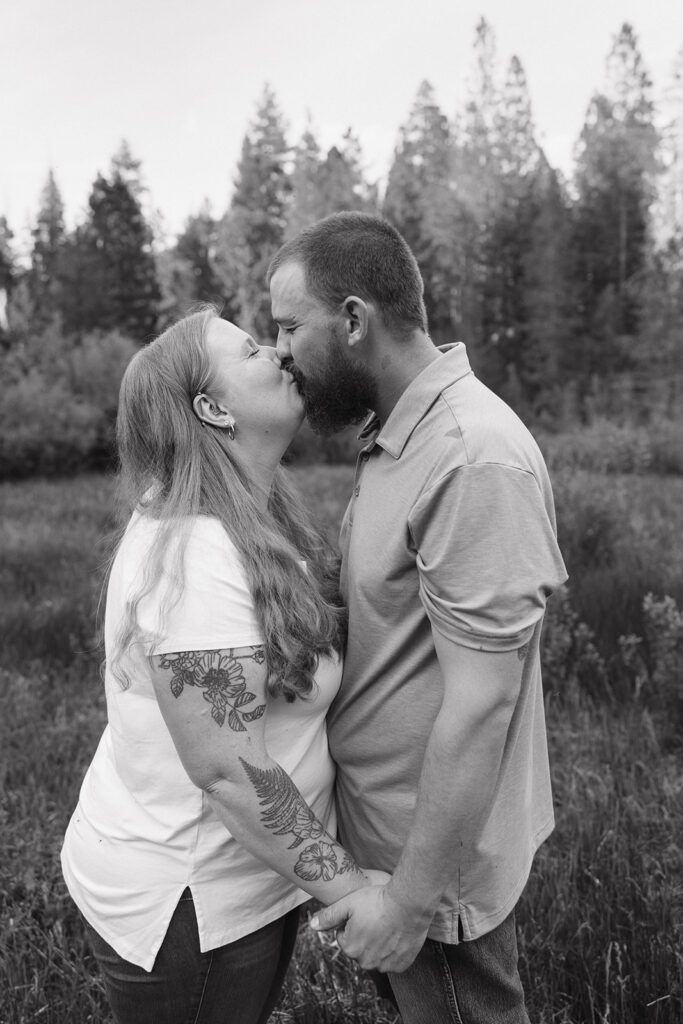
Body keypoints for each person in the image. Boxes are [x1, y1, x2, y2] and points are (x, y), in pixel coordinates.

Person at [268, 212, 568, 1024]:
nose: (281, 354)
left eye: (290, 327)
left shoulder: (470, 457)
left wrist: (405, 903)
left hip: (430, 874)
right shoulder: (397, 435)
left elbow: (479, 706)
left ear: (355, 320)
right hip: (386, 849)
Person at [61, 309, 387, 1024]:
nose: (277, 352)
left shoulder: (254, 516)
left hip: (240, 878)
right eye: (250, 350)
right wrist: (352, 891)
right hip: (189, 899)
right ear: (211, 408)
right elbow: (228, 771)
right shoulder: (196, 550)